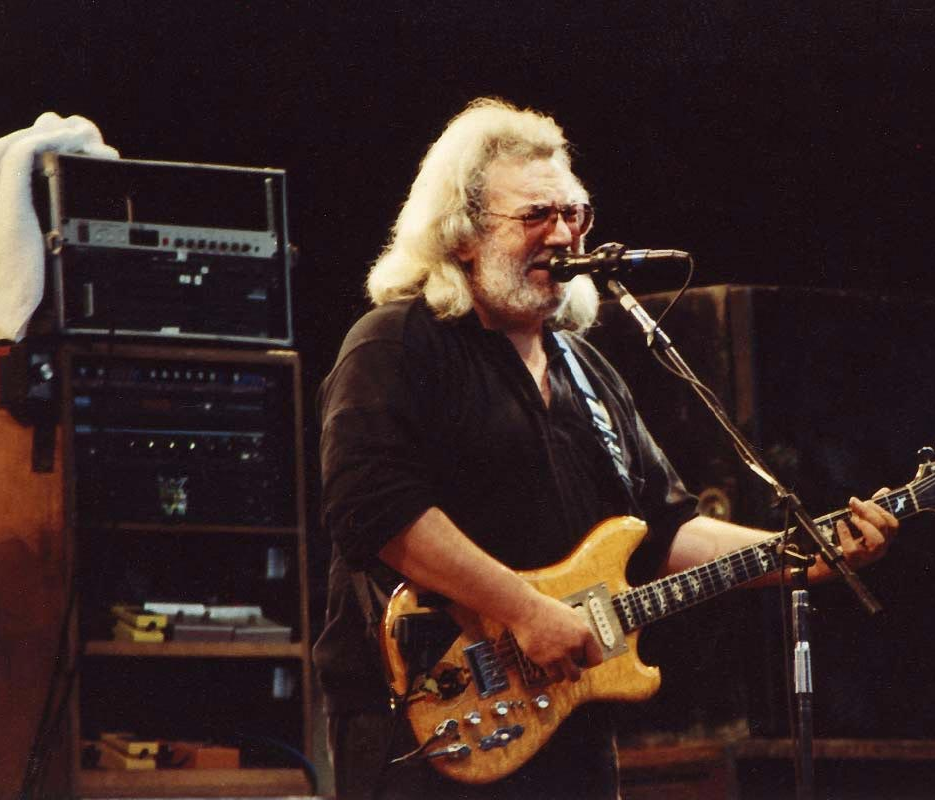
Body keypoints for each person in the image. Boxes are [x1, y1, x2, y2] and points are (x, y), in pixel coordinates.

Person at [313, 97, 899, 800]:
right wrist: (524, 611)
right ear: (463, 233)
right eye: (537, 216)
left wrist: (807, 551)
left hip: (565, 718)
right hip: (426, 715)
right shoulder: (396, 342)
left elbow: (663, 528)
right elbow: (374, 510)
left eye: (575, 214)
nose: (564, 235)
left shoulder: (586, 371)